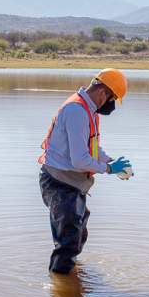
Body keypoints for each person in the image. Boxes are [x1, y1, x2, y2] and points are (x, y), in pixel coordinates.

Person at [38, 68, 132, 274]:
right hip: (60, 183)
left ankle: (69, 274)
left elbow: (92, 149)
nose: (111, 105)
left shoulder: (87, 110)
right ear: (102, 93)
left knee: (78, 235)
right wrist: (108, 169)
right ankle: (61, 291)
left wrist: (112, 162)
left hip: (71, 184)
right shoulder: (77, 111)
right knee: (68, 242)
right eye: (112, 98)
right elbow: (80, 160)